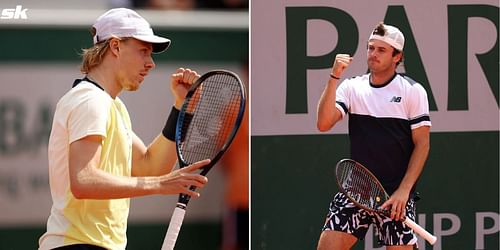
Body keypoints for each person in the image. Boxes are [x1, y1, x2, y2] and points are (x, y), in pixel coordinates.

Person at [38, 8, 210, 250]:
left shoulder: (111, 105)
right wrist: (161, 185)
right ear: (116, 47)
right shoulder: (91, 101)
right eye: (143, 51)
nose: (150, 63)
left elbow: (151, 167)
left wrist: (182, 107)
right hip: (78, 245)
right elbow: (83, 181)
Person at [316, 22, 431, 249]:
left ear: (397, 57)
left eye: (381, 50)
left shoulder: (413, 91)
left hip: (395, 194)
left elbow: (422, 145)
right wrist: (333, 77)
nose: (373, 54)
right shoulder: (351, 87)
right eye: (370, 48)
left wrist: (404, 191)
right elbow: (323, 123)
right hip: (356, 190)